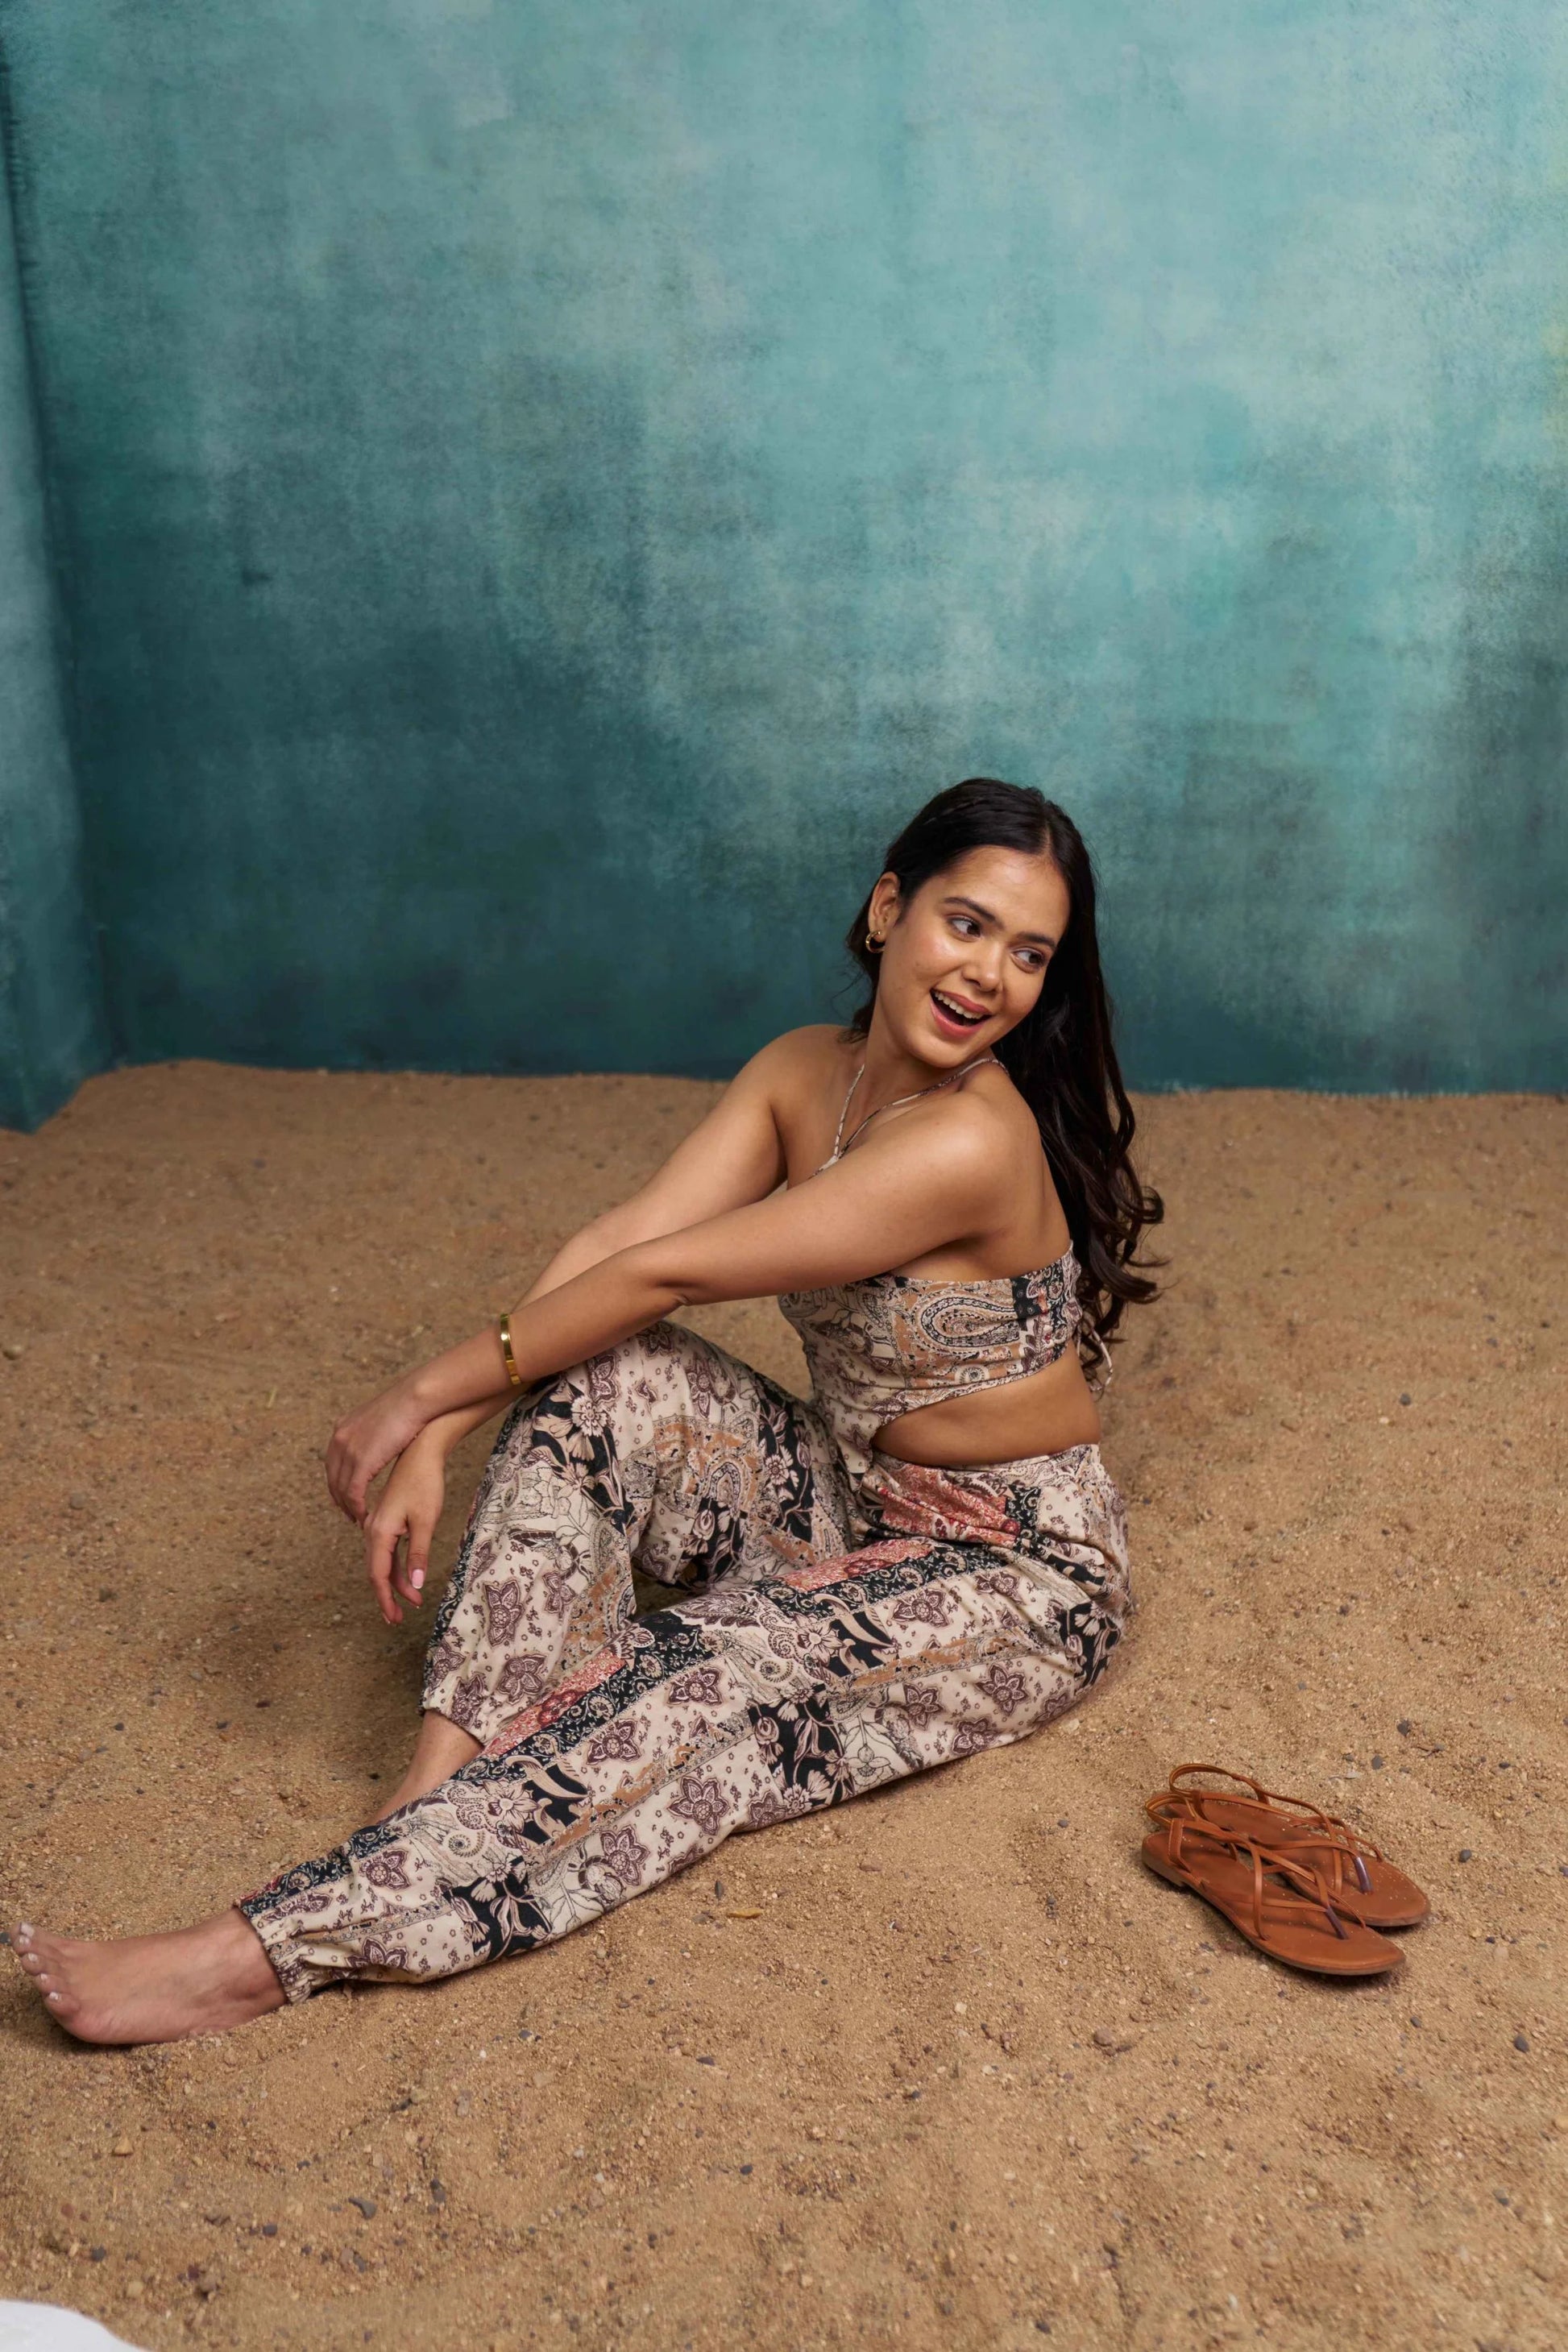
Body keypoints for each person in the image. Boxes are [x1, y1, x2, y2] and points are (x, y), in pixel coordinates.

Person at [12, 778, 1162, 2043]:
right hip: (848, 1496)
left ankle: (263, 1949)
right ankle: (431, 1798)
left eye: (1028, 955)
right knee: (611, 1379)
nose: (987, 973)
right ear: (887, 907)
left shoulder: (966, 1144)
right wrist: (446, 1433)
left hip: (1015, 1572)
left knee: (711, 1670)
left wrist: (415, 1396)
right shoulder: (802, 1073)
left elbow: (667, 1272)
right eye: (964, 922)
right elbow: (627, 1236)